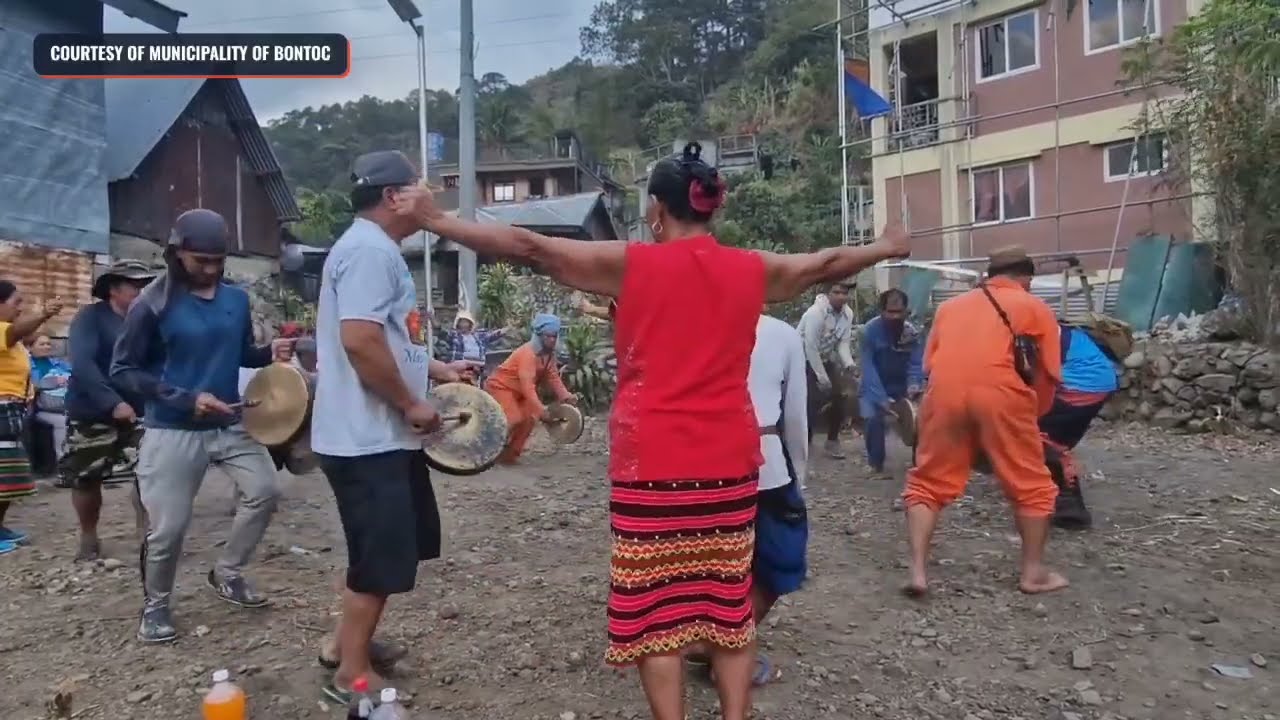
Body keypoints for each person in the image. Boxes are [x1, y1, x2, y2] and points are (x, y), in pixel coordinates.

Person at [394, 141, 909, 720]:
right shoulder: (750, 269)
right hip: (729, 466)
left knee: (657, 613)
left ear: (657, 212)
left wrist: (436, 219)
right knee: (728, 608)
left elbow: (529, 247)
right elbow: (822, 264)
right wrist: (884, 248)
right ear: (712, 210)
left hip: (653, 466)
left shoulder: (632, 263)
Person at [310, 150, 475, 702]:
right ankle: (351, 676)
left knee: (387, 549)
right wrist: (410, 403)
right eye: (421, 187)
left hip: (376, 437)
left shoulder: (370, 249)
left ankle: (344, 645)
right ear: (393, 197)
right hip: (367, 438)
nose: (430, 196)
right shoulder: (367, 253)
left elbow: (385, 337)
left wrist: (436, 369)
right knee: (381, 558)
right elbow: (358, 340)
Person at [112, 208, 294, 644]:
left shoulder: (235, 300)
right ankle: (156, 604)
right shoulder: (151, 305)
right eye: (201, 261)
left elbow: (241, 353)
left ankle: (227, 572)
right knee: (169, 528)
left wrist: (272, 352)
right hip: (172, 428)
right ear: (177, 254)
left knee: (265, 491)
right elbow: (123, 370)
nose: (211, 270)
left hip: (229, 422)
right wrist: (186, 399)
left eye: (218, 261)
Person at [902, 246, 1066, 597]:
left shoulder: (949, 308)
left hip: (943, 393)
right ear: (1026, 277)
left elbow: (930, 365)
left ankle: (918, 571)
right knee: (1031, 483)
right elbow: (1049, 373)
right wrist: (1033, 417)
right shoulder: (1034, 308)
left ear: (989, 276)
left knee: (928, 481)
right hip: (1001, 393)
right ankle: (1033, 574)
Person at [690, 314, 810, 686]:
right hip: (765, 463)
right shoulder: (782, 333)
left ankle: (701, 643)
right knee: (781, 559)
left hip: (697, 463)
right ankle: (723, 651)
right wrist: (799, 477)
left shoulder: (691, 327)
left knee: (712, 561)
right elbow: (795, 414)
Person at [61, 260, 156, 560]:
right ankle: (89, 535)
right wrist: (112, 402)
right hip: (92, 410)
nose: (142, 291)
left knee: (151, 472)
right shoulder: (90, 319)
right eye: (135, 285)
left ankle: (149, 535)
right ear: (113, 289)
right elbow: (84, 364)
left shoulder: (147, 321)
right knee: (87, 477)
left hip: (139, 411)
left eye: (145, 286)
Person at [0, 281, 61, 553]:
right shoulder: (4, 332)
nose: (20, 308)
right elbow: (17, 331)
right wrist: (44, 313)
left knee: (8, 476)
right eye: (16, 302)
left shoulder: (12, 339)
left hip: (11, 411)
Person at [1040, 323, 1120, 529]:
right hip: (1098, 383)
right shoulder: (1060, 329)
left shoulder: (1039, 332)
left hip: (1081, 385)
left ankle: (1070, 506)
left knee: (1042, 439)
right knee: (1049, 438)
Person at [483, 313, 576, 465]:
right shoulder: (527, 354)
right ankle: (488, 451)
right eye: (548, 336)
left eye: (554, 336)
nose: (552, 340)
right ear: (539, 336)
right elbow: (528, 388)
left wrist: (566, 396)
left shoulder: (548, 355)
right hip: (500, 387)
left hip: (519, 391)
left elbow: (553, 377)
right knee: (513, 418)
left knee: (529, 420)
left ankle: (509, 456)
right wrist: (541, 410)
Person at [858, 289, 924, 475]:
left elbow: (916, 362)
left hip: (902, 385)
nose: (895, 317)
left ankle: (919, 461)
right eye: (890, 312)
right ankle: (875, 462)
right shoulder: (869, 332)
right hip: (874, 385)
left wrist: (914, 384)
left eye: (899, 312)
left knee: (922, 416)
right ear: (881, 311)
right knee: (873, 418)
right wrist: (881, 399)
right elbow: (868, 367)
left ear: (906, 311)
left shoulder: (912, 333)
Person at [796, 282, 856, 458]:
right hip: (802, 358)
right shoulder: (816, 313)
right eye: (836, 292)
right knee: (810, 400)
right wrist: (822, 377)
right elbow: (810, 347)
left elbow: (842, 343)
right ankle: (803, 443)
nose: (840, 297)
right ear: (828, 293)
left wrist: (849, 364)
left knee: (839, 396)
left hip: (824, 358)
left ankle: (832, 441)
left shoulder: (847, 314)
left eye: (844, 293)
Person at [28, 334, 72, 466]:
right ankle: (63, 465)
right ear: (30, 347)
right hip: (45, 410)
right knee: (62, 422)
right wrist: (51, 382)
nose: (47, 347)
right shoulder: (28, 365)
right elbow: (30, 385)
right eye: (42, 344)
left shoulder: (59, 364)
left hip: (69, 406)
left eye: (48, 344)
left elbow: (77, 376)